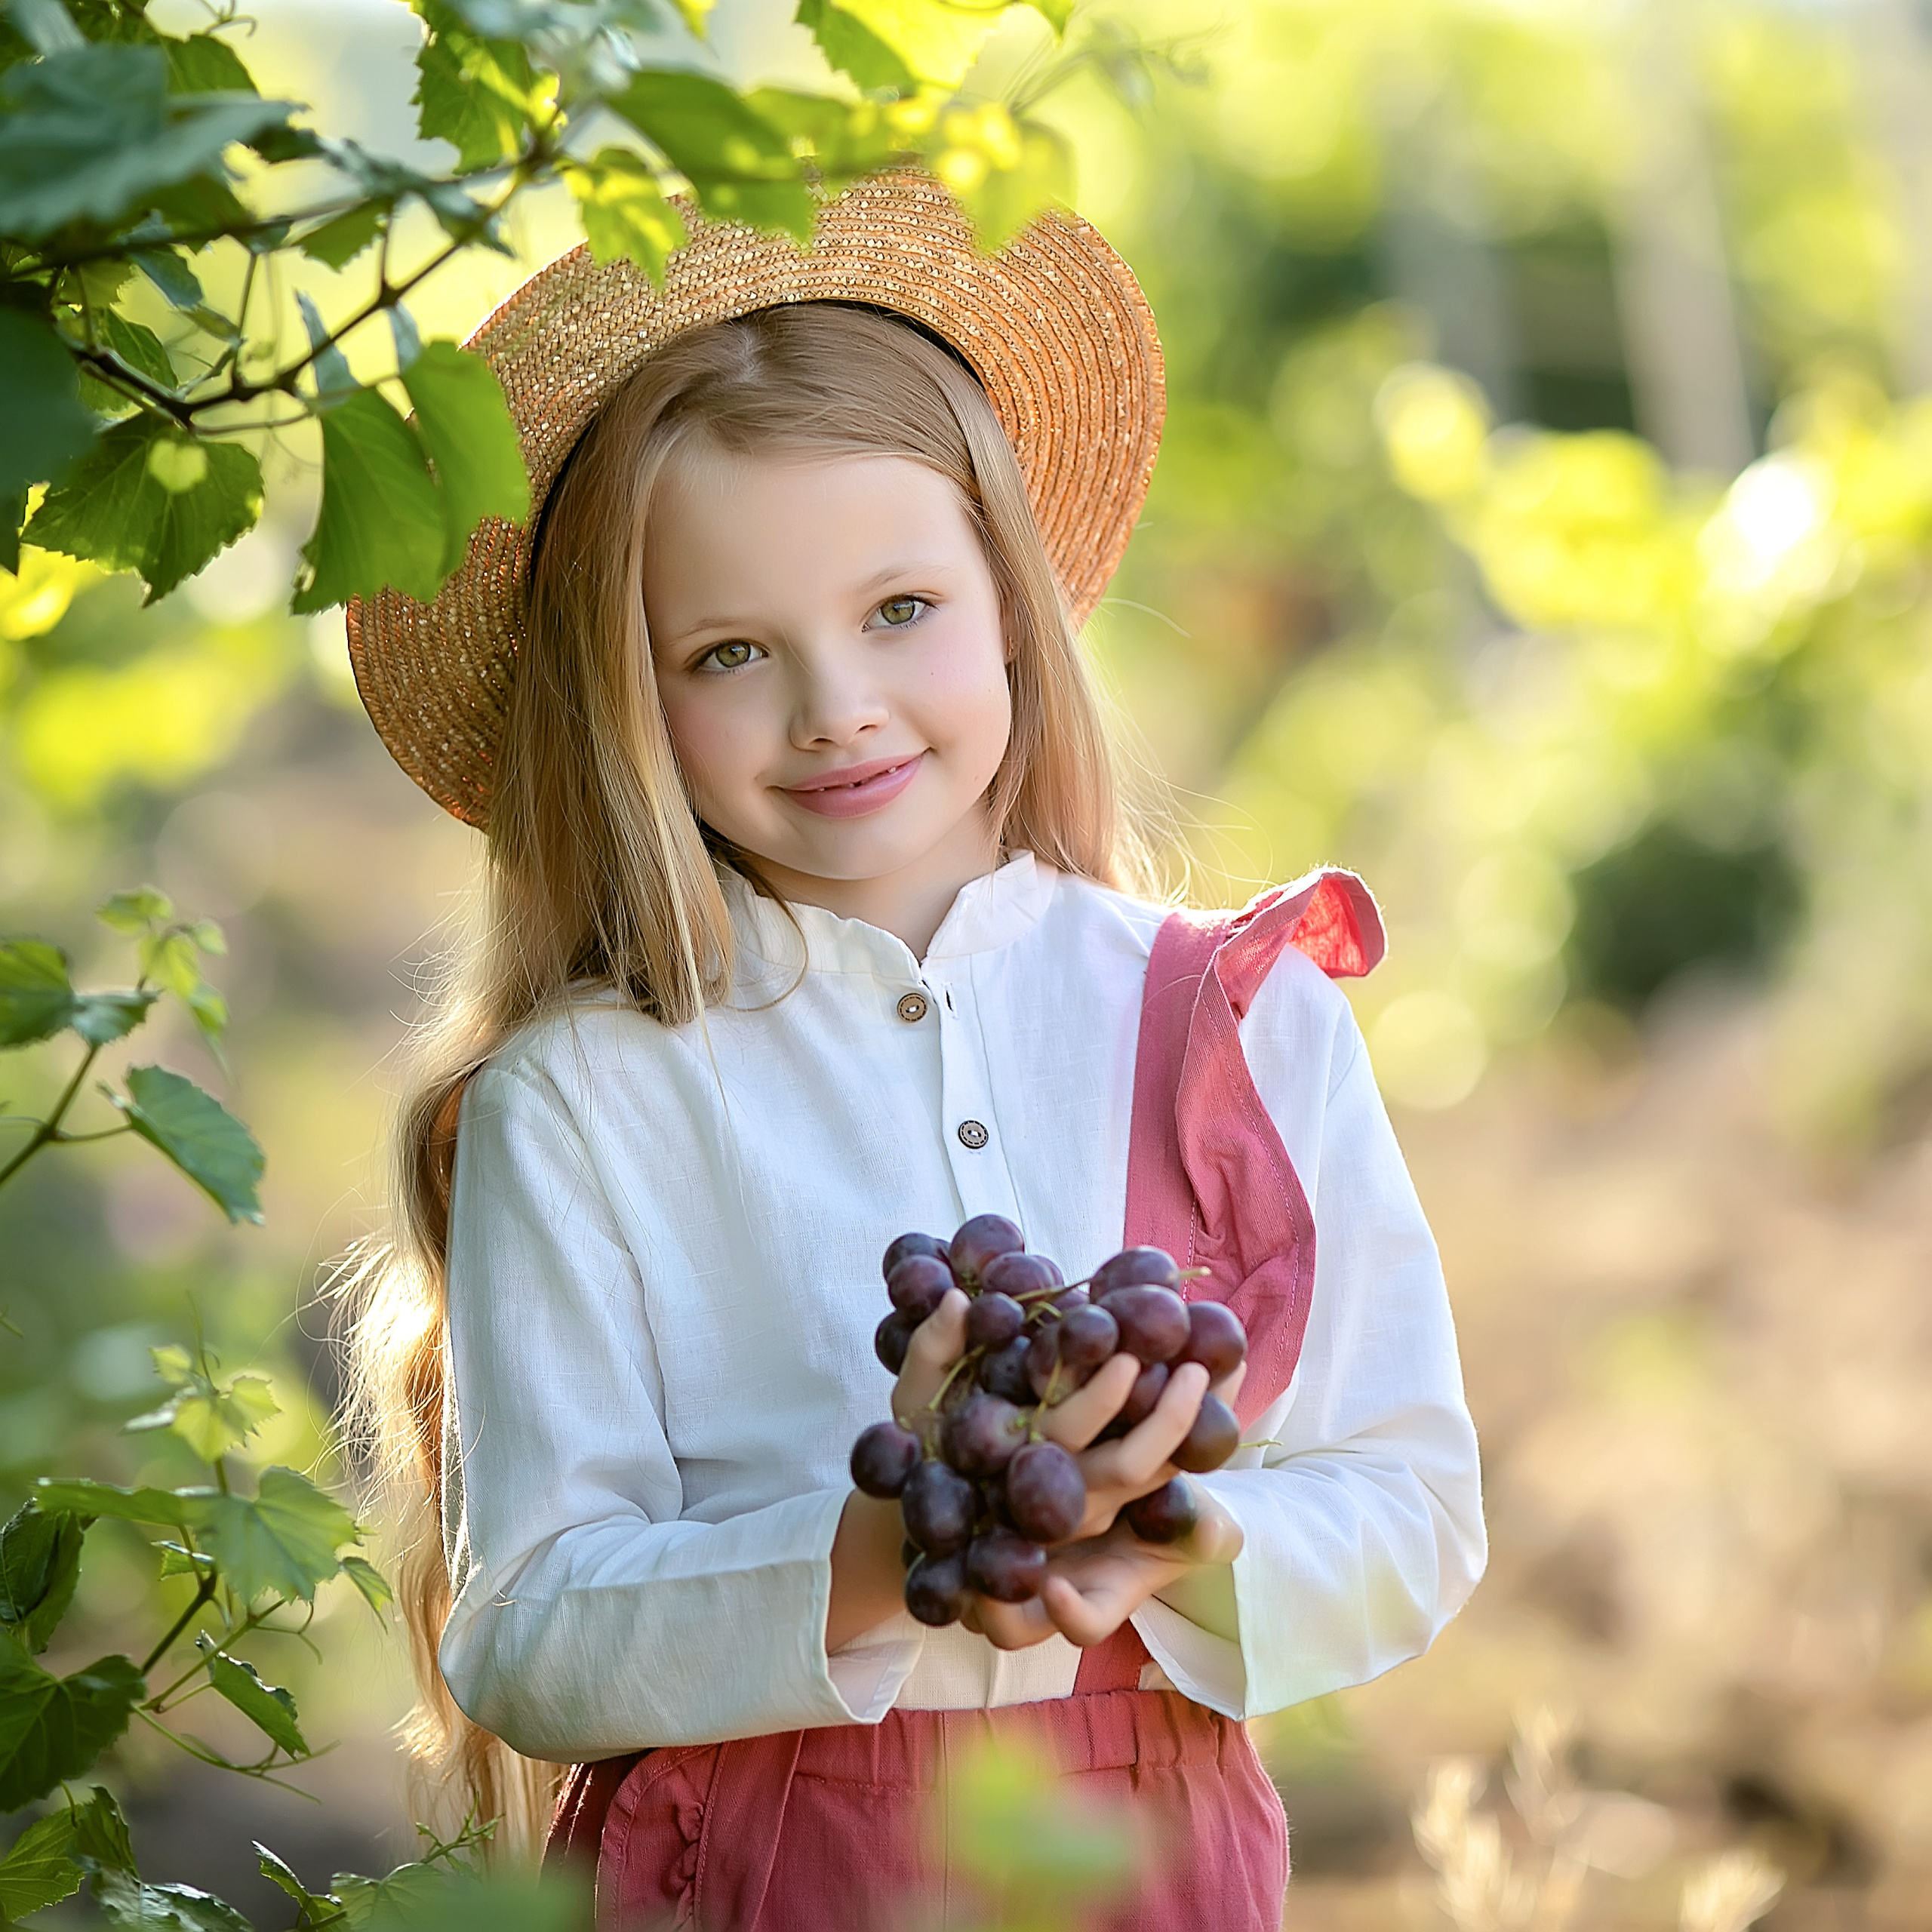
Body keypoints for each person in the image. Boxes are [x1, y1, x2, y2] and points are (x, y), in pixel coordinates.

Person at [343, 171, 1484, 1931]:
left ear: (1010, 599)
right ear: (629, 703)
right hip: (759, 1870)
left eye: (898, 611)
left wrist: (1166, 1533)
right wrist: (902, 1548)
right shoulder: (587, 1097)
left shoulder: (1237, 1019)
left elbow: (1410, 1505)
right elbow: (534, 1631)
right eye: (729, 652)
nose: (837, 708)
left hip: (1150, 1866)